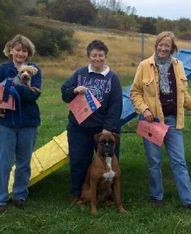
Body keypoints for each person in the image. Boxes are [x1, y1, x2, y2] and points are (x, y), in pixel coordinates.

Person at [130, 31, 191, 208]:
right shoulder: (144, 66)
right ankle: (157, 197)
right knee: (154, 162)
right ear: (156, 45)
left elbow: (183, 95)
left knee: (179, 161)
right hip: (152, 121)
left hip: (173, 121)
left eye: (168, 46)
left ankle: (188, 201)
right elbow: (135, 93)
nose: (164, 48)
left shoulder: (178, 65)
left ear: (173, 48)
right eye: (161, 45)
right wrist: (145, 109)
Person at [0, 34, 42, 213]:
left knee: (24, 162)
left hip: (28, 122)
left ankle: (20, 195)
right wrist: (5, 92)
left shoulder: (34, 69)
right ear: (10, 51)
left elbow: (34, 95)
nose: (21, 53)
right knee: (2, 163)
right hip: (6, 122)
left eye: (24, 50)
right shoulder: (3, 69)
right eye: (17, 49)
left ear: (28, 53)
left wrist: (11, 88)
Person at [61, 40, 122, 200]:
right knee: (79, 161)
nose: (97, 58)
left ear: (105, 56)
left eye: (100, 55)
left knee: (109, 163)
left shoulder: (112, 78)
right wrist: (74, 90)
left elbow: (116, 105)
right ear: (89, 56)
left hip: (103, 130)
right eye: (94, 55)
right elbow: (65, 94)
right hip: (79, 128)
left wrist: (108, 128)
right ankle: (78, 193)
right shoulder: (80, 74)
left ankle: (108, 194)